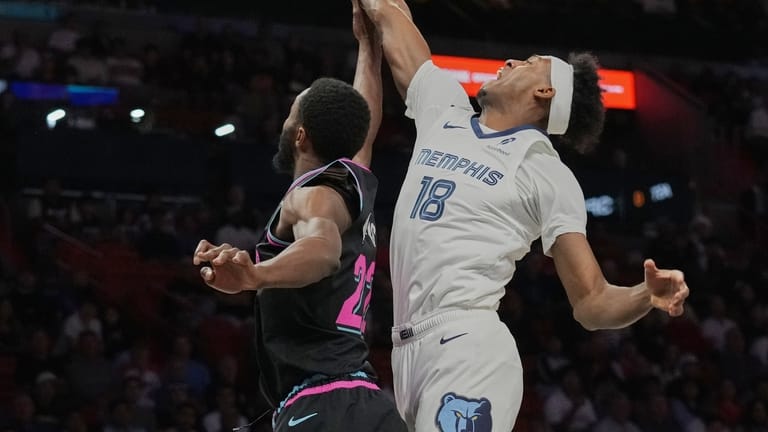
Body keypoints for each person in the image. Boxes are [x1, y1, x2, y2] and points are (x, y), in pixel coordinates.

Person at [358, 1, 690, 431]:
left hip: (468, 346)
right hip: (406, 348)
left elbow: (590, 302)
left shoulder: (545, 171)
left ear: (545, 93)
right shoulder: (446, 111)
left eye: (530, 64)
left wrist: (645, 296)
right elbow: (389, 14)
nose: (511, 61)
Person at [193, 2, 407, 431]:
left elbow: (322, 249)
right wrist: (370, 45)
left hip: (321, 405)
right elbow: (366, 122)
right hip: (367, 402)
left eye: (293, 108)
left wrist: (255, 276)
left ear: (300, 134)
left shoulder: (309, 195)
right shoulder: (354, 179)